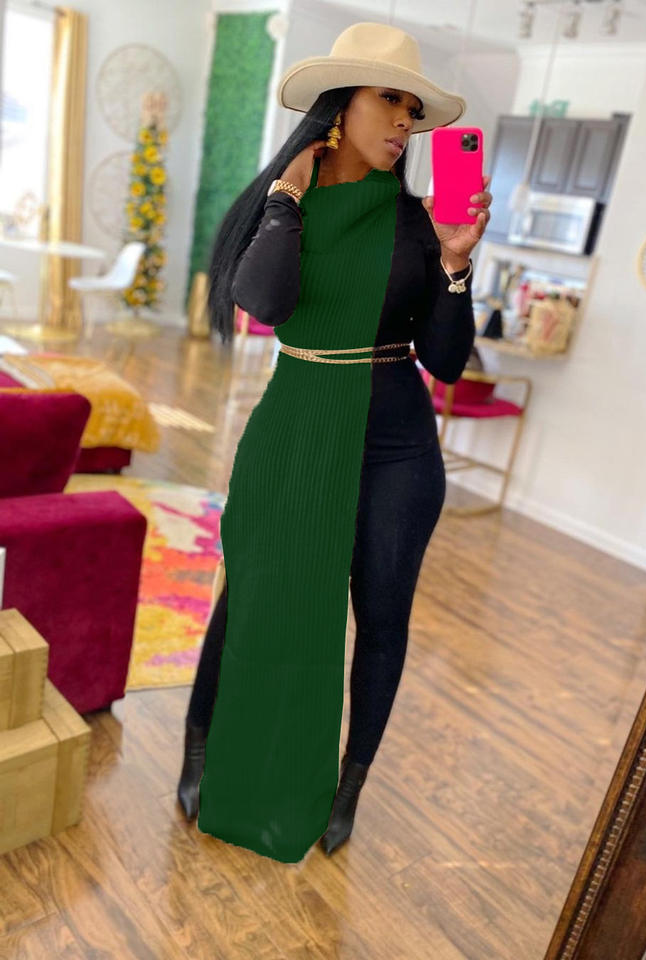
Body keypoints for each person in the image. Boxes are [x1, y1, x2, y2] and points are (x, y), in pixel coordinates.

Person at [177, 21, 493, 864]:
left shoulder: (420, 224)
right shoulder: (285, 204)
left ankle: (348, 782)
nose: (404, 120)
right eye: (389, 100)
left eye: (412, 108)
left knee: (381, 617)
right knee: (252, 593)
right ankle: (202, 746)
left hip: (396, 448)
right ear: (340, 105)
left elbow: (446, 361)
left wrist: (456, 265)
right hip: (295, 426)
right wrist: (286, 200)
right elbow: (265, 302)